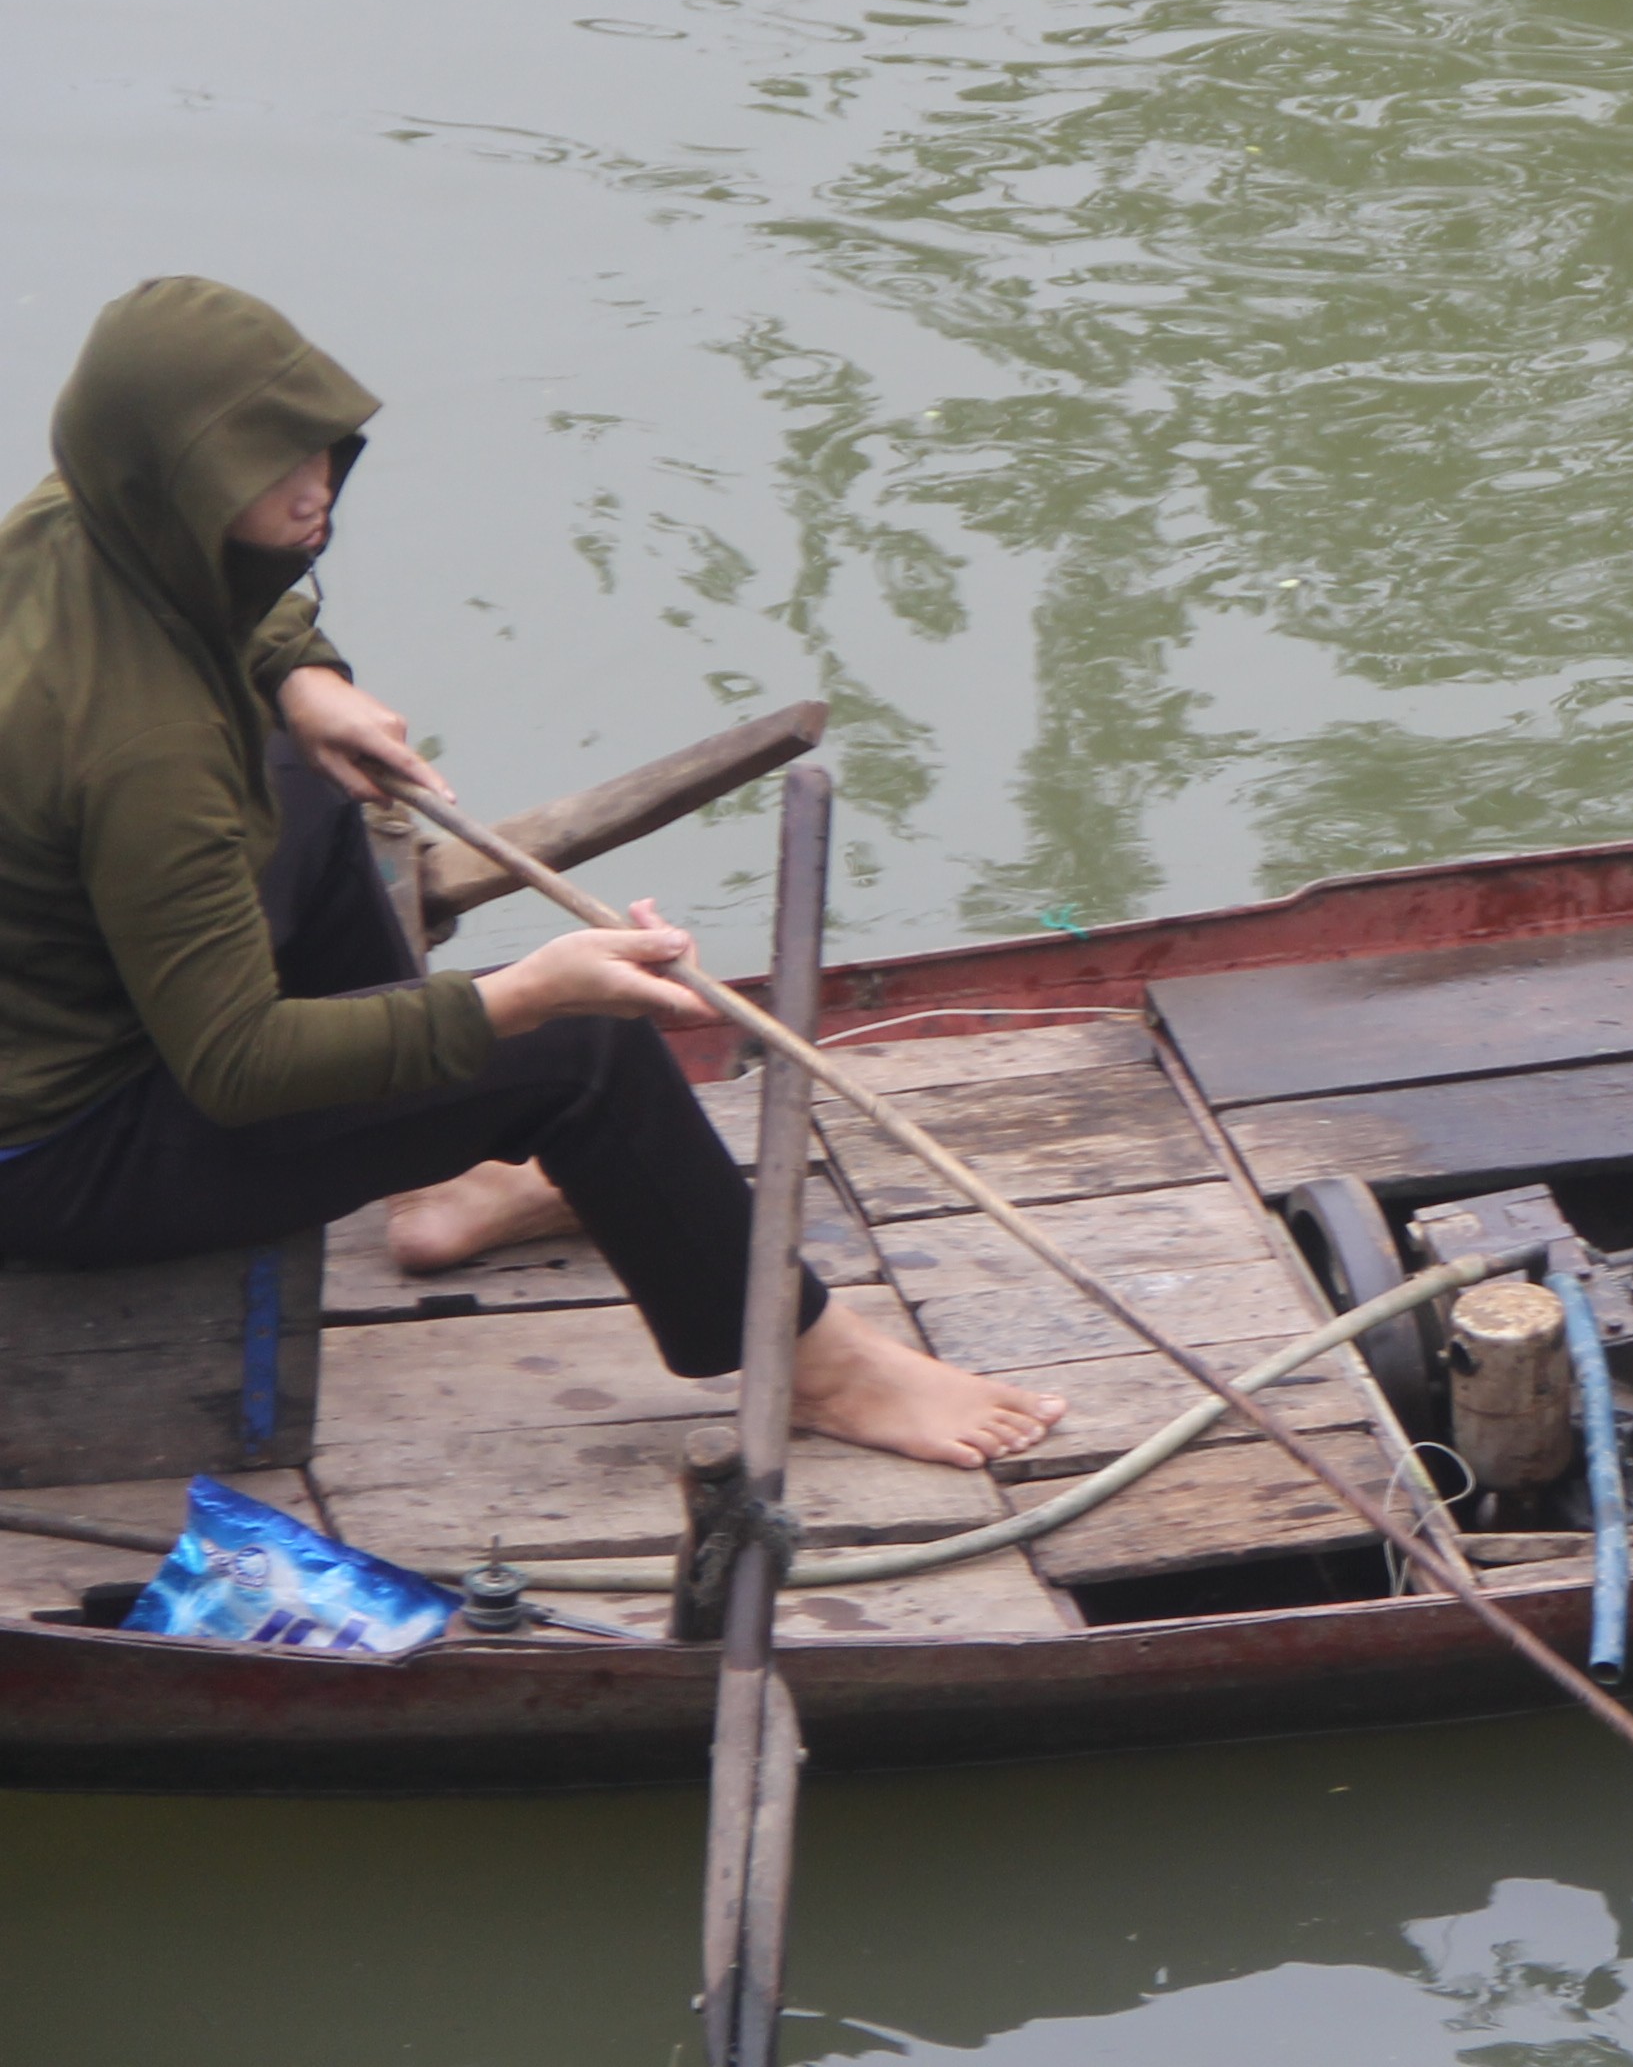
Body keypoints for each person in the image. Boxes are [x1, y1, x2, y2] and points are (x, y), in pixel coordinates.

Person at [0, 276, 1060, 1468]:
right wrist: (533, 994)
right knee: (586, 1054)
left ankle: (450, 1177)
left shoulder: (64, 524)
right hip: (60, 1151)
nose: (312, 495)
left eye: (313, 453)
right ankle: (818, 1367)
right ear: (174, 492)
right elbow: (238, 1067)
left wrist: (303, 674)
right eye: (263, 481)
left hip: (51, 1015)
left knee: (307, 775)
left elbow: (218, 615)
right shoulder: (148, 752)